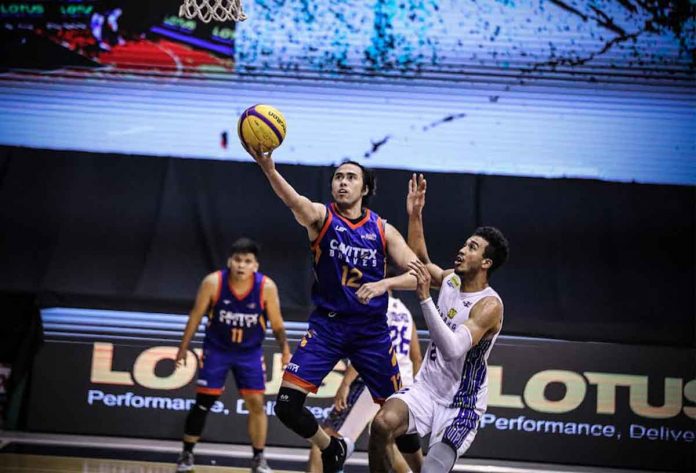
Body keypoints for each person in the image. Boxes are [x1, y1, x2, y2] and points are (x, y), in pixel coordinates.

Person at [244, 144, 422, 473]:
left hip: (371, 333)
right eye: (338, 177)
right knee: (286, 406)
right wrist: (269, 169)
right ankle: (332, 447)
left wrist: (385, 284)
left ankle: (425, 469)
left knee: (401, 420)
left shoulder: (382, 230)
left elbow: (419, 276)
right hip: (328, 328)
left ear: (364, 188)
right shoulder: (321, 218)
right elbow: (293, 200)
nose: (342, 182)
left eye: (351, 177)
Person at [369, 174, 509, 473]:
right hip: (425, 391)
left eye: (472, 247)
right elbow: (419, 262)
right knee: (381, 425)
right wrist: (415, 216)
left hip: (460, 405)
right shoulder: (451, 280)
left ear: (486, 263)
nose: (462, 249)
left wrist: (424, 300)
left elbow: (454, 349)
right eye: (465, 244)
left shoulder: (489, 305)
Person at [174, 238, 292, 473]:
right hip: (217, 350)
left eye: (247, 261)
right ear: (230, 261)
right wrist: (183, 347)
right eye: (237, 260)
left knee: (257, 403)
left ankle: (259, 458)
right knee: (203, 402)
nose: (241, 265)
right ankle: (186, 454)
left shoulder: (266, 286)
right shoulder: (213, 282)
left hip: (249, 353)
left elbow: (277, 324)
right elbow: (196, 316)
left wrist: (286, 350)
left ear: (255, 266)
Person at [306, 293, 424, 473]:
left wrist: (345, 383)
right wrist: (416, 390)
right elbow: (416, 357)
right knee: (386, 441)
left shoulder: (374, 307)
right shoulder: (404, 311)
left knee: (326, 438)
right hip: (403, 385)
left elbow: (368, 351)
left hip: (374, 381)